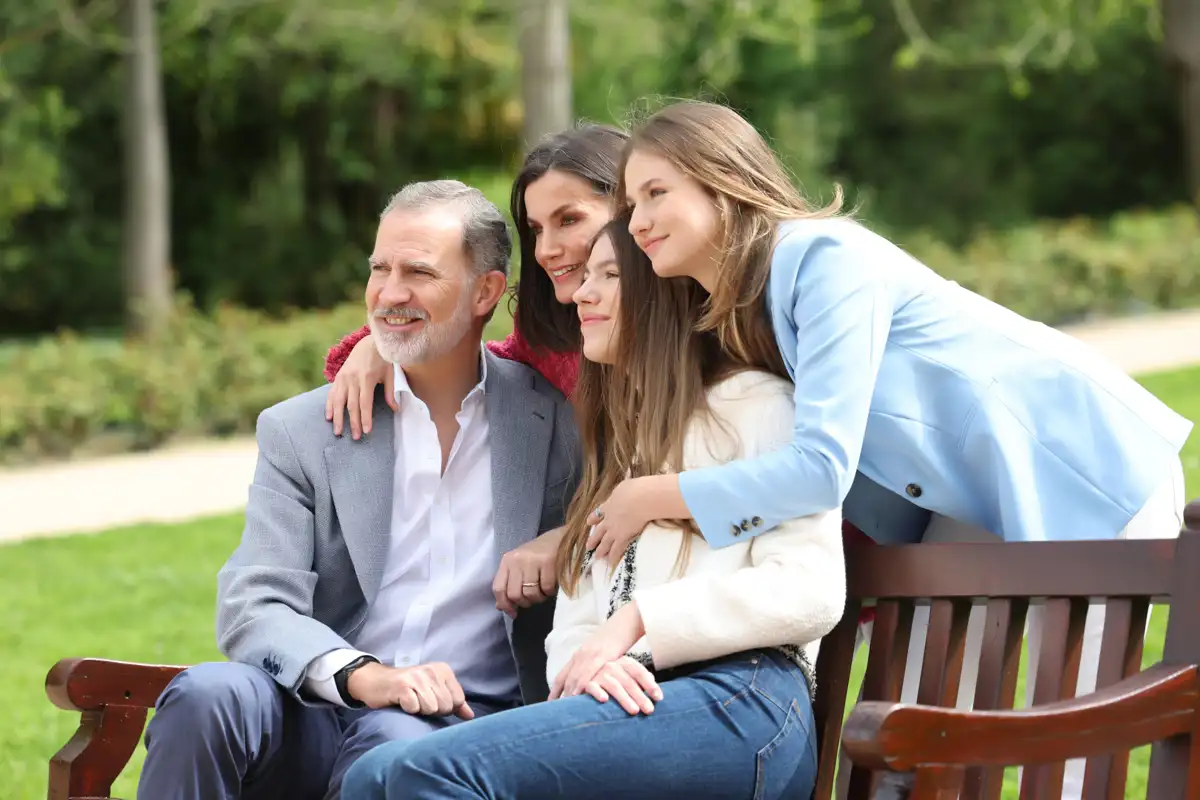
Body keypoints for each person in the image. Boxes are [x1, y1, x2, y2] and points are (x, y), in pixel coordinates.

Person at [586, 99, 1192, 798]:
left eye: (656, 193)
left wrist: (652, 498)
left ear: (722, 181)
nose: (637, 221)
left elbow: (821, 468)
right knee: (928, 731)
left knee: (1082, 757)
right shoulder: (740, 310)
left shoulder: (820, 259)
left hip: (1080, 463)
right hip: (963, 502)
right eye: (631, 202)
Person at [342, 217, 844, 800]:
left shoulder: (755, 406)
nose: (582, 292)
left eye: (609, 276)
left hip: (743, 700)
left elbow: (811, 590)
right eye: (586, 277)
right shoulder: (621, 451)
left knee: (417, 774)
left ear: (665, 293)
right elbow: (577, 623)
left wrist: (640, 624)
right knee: (374, 776)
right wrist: (588, 667)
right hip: (637, 700)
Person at [136, 180, 581, 800]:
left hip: (457, 725)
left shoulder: (555, 423)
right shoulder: (300, 430)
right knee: (206, 695)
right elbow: (254, 603)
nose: (390, 294)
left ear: (485, 292)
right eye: (380, 268)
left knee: (398, 751)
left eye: (419, 272)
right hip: (316, 698)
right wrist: (363, 675)